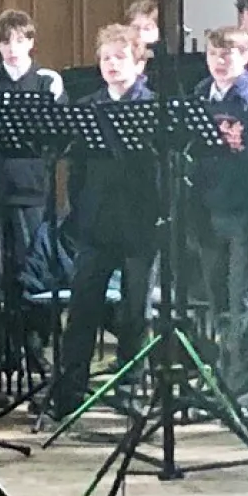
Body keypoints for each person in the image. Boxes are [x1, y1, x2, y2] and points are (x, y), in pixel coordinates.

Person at [55, 24, 159, 418]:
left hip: (138, 224)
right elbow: (77, 171)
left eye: (119, 57)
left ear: (137, 62)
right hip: (95, 224)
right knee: (82, 308)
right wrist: (77, 214)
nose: (111, 65)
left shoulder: (152, 106)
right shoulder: (87, 107)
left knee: (136, 312)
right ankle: (70, 391)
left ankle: (131, 389)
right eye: (105, 58)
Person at [190, 25, 248, 392]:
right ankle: (225, 384)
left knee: (244, 306)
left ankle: (246, 393)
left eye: (229, 54)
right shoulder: (198, 99)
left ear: (245, 58)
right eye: (214, 54)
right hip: (209, 212)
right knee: (218, 305)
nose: (220, 61)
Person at [0, 9, 65, 307]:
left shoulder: (46, 80)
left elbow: (59, 132)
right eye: (5, 42)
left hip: (33, 190)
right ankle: (5, 344)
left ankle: (35, 345)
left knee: (32, 268)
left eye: (19, 40)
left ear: (31, 42)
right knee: (1, 272)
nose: (12, 49)